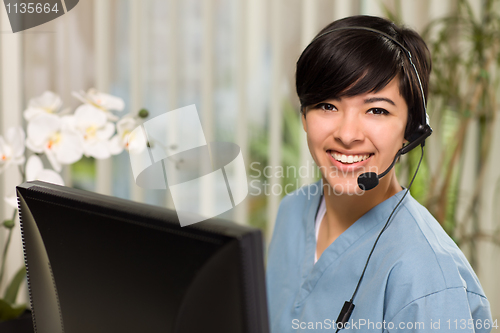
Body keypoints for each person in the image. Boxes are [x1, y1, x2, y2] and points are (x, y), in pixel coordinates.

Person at [266, 15, 493, 332]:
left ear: (411, 131)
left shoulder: (426, 275)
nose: (347, 134)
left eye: (377, 110)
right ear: (304, 115)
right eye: (327, 106)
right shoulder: (292, 212)